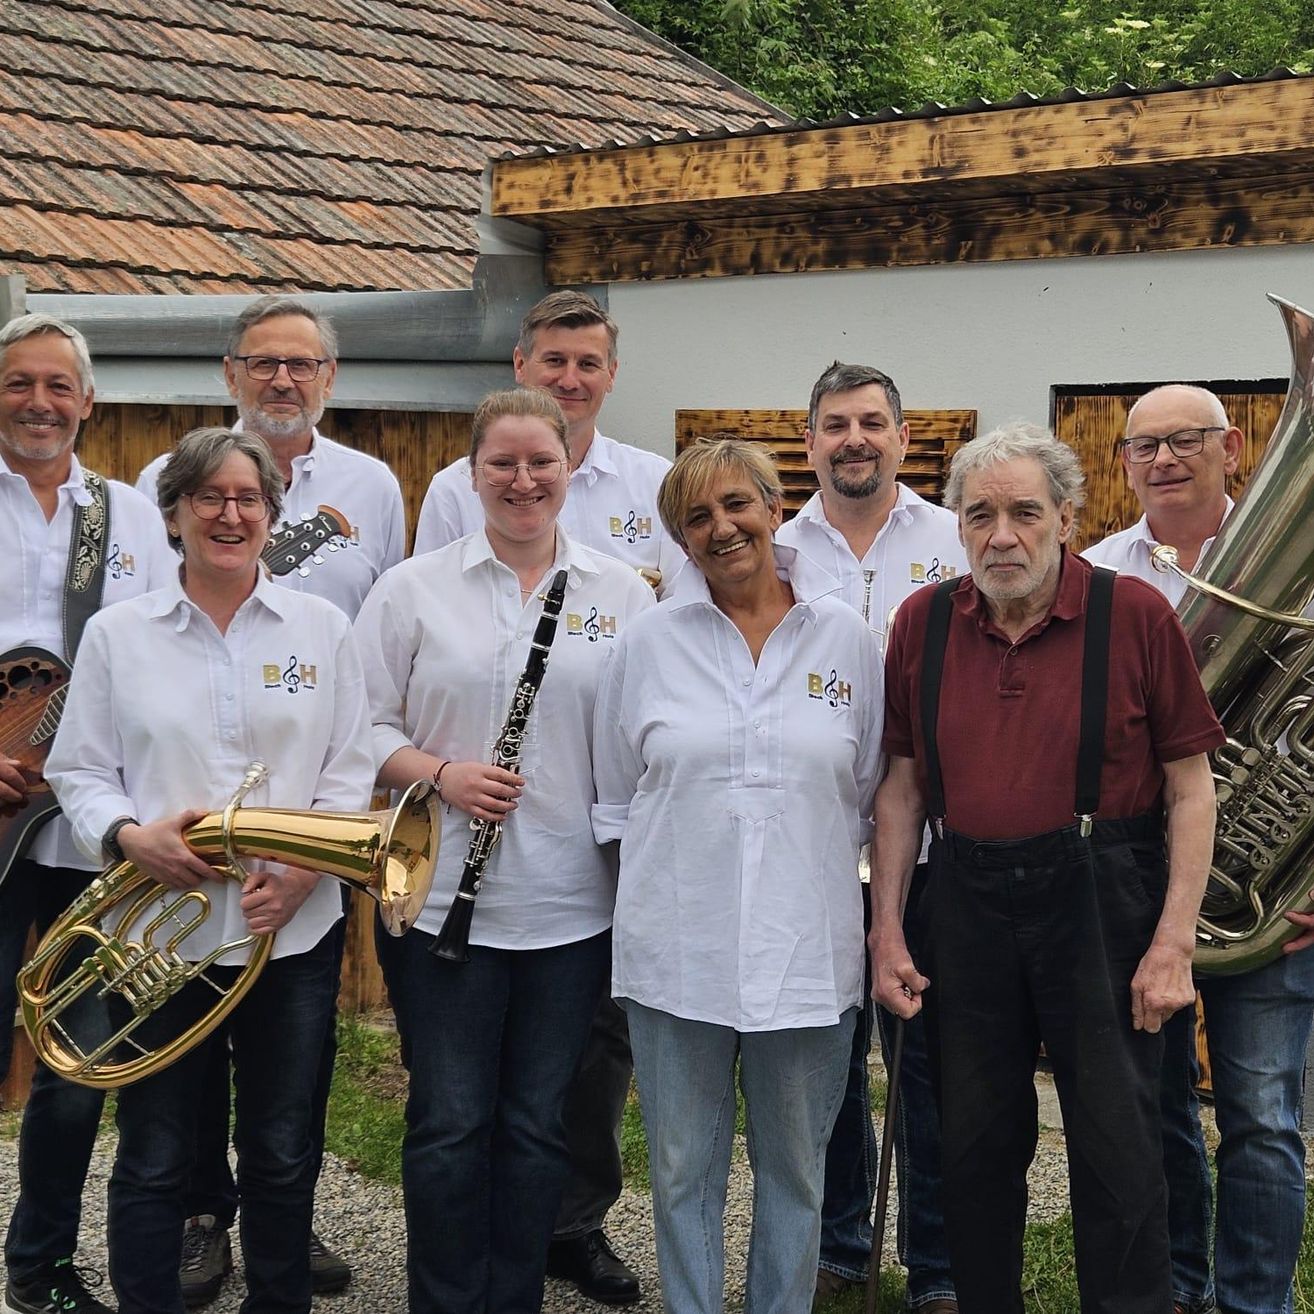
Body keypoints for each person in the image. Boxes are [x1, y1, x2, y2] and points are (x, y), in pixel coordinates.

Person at [870, 423, 1223, 1314]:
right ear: (956, 525)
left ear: (1067, 517)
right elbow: (903, 790)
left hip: (1102, 902)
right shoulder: (923, 623)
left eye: (1025, 512)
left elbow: (1191, 789)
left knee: (1120, 1148)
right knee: (973, 1144)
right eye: (980, 514)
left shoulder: (1134, 613)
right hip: (965, 903)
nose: (1002, 535)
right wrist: (886, 932)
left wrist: (1174, 942)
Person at [44, 425, 376, 1314]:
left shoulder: (324, 627)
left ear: (273, 515)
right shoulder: (119, 636)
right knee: (154, 1156)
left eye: (249, 499)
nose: (231, 515)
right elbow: (76, 768)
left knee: (279, 1150)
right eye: (210, 498)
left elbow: (352, 763)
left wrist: (309, 871)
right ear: (173, 516)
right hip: (156, 937)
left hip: (291, 934)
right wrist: (124, 836)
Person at [353, 386, 654, 1314]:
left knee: (534, 1127)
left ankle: (513, 1295)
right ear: (472, 474)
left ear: (570, 469)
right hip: (439, 898)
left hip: (573, 910)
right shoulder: (413, 588)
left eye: (542, 463)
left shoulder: (623, 592)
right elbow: (358, 729)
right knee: (448, 1123)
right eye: (503, 465)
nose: (524, 481)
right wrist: (440, 774)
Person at [136, 296, 405, 1302]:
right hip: (191, 818)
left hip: (308, 804)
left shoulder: (374, 485)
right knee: (188, 1076)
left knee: (292, 1072)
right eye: (264, 364)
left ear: (330, 379)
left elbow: (372, 648)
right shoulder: (174, 477)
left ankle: (280, 1225)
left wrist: (313, 851)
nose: (283, 380)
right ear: (231, 373)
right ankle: (206, 1217)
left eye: (302, 365)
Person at [412, 290, 674, 1302]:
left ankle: (572, 1225)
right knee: (467, 1104)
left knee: (587, 1071)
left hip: (592, 850)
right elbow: (443, 629)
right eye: (552, 360)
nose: (568, 379)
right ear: (522, 362)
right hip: (468, 858)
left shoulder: (649, 487)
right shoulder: (450, 490)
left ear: (611, 374)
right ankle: (473, 1252)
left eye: (588, 363)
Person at [592, 437, 884, 1314]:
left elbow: (868, 795)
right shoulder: (645, 644)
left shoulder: (846, 637)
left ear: (771, 506)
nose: (722, 529)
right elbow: (615, 804)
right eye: (697, 518)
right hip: (676, 953)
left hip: (807, 953)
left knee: (796, 1171)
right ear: (680, 541)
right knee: (683, 1170)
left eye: (737, 505)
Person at [1085, 384, 1314, 1314]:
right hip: (1140, 888)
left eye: (1186, 440)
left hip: (1262, 908)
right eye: (1146, 446)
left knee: (1263, 1121)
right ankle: (1175, 1288)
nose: (1165, 459)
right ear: (1125, 462)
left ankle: (1253, 1303)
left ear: (1234, 448)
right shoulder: (1097, 573)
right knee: (1159, 1109)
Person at [775, 362, 962, 1313]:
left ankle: (935, 1269)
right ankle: (842, 1246)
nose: (855, 439)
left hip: (935, 850)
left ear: (902, 435)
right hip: (811, 848)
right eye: (836, 424)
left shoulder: (956, 536)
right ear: (808, 440)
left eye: (873, 423)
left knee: (927, 1069)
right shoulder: (773, 548)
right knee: (828, 1067)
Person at [0, 312, 175, 1314]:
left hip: (91, 833)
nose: (39, 403)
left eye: (58, 387)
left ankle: (42, 1268)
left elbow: (161, 649)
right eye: (21, 383)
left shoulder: (132, 517)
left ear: (89, 400)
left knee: (77, 1063)